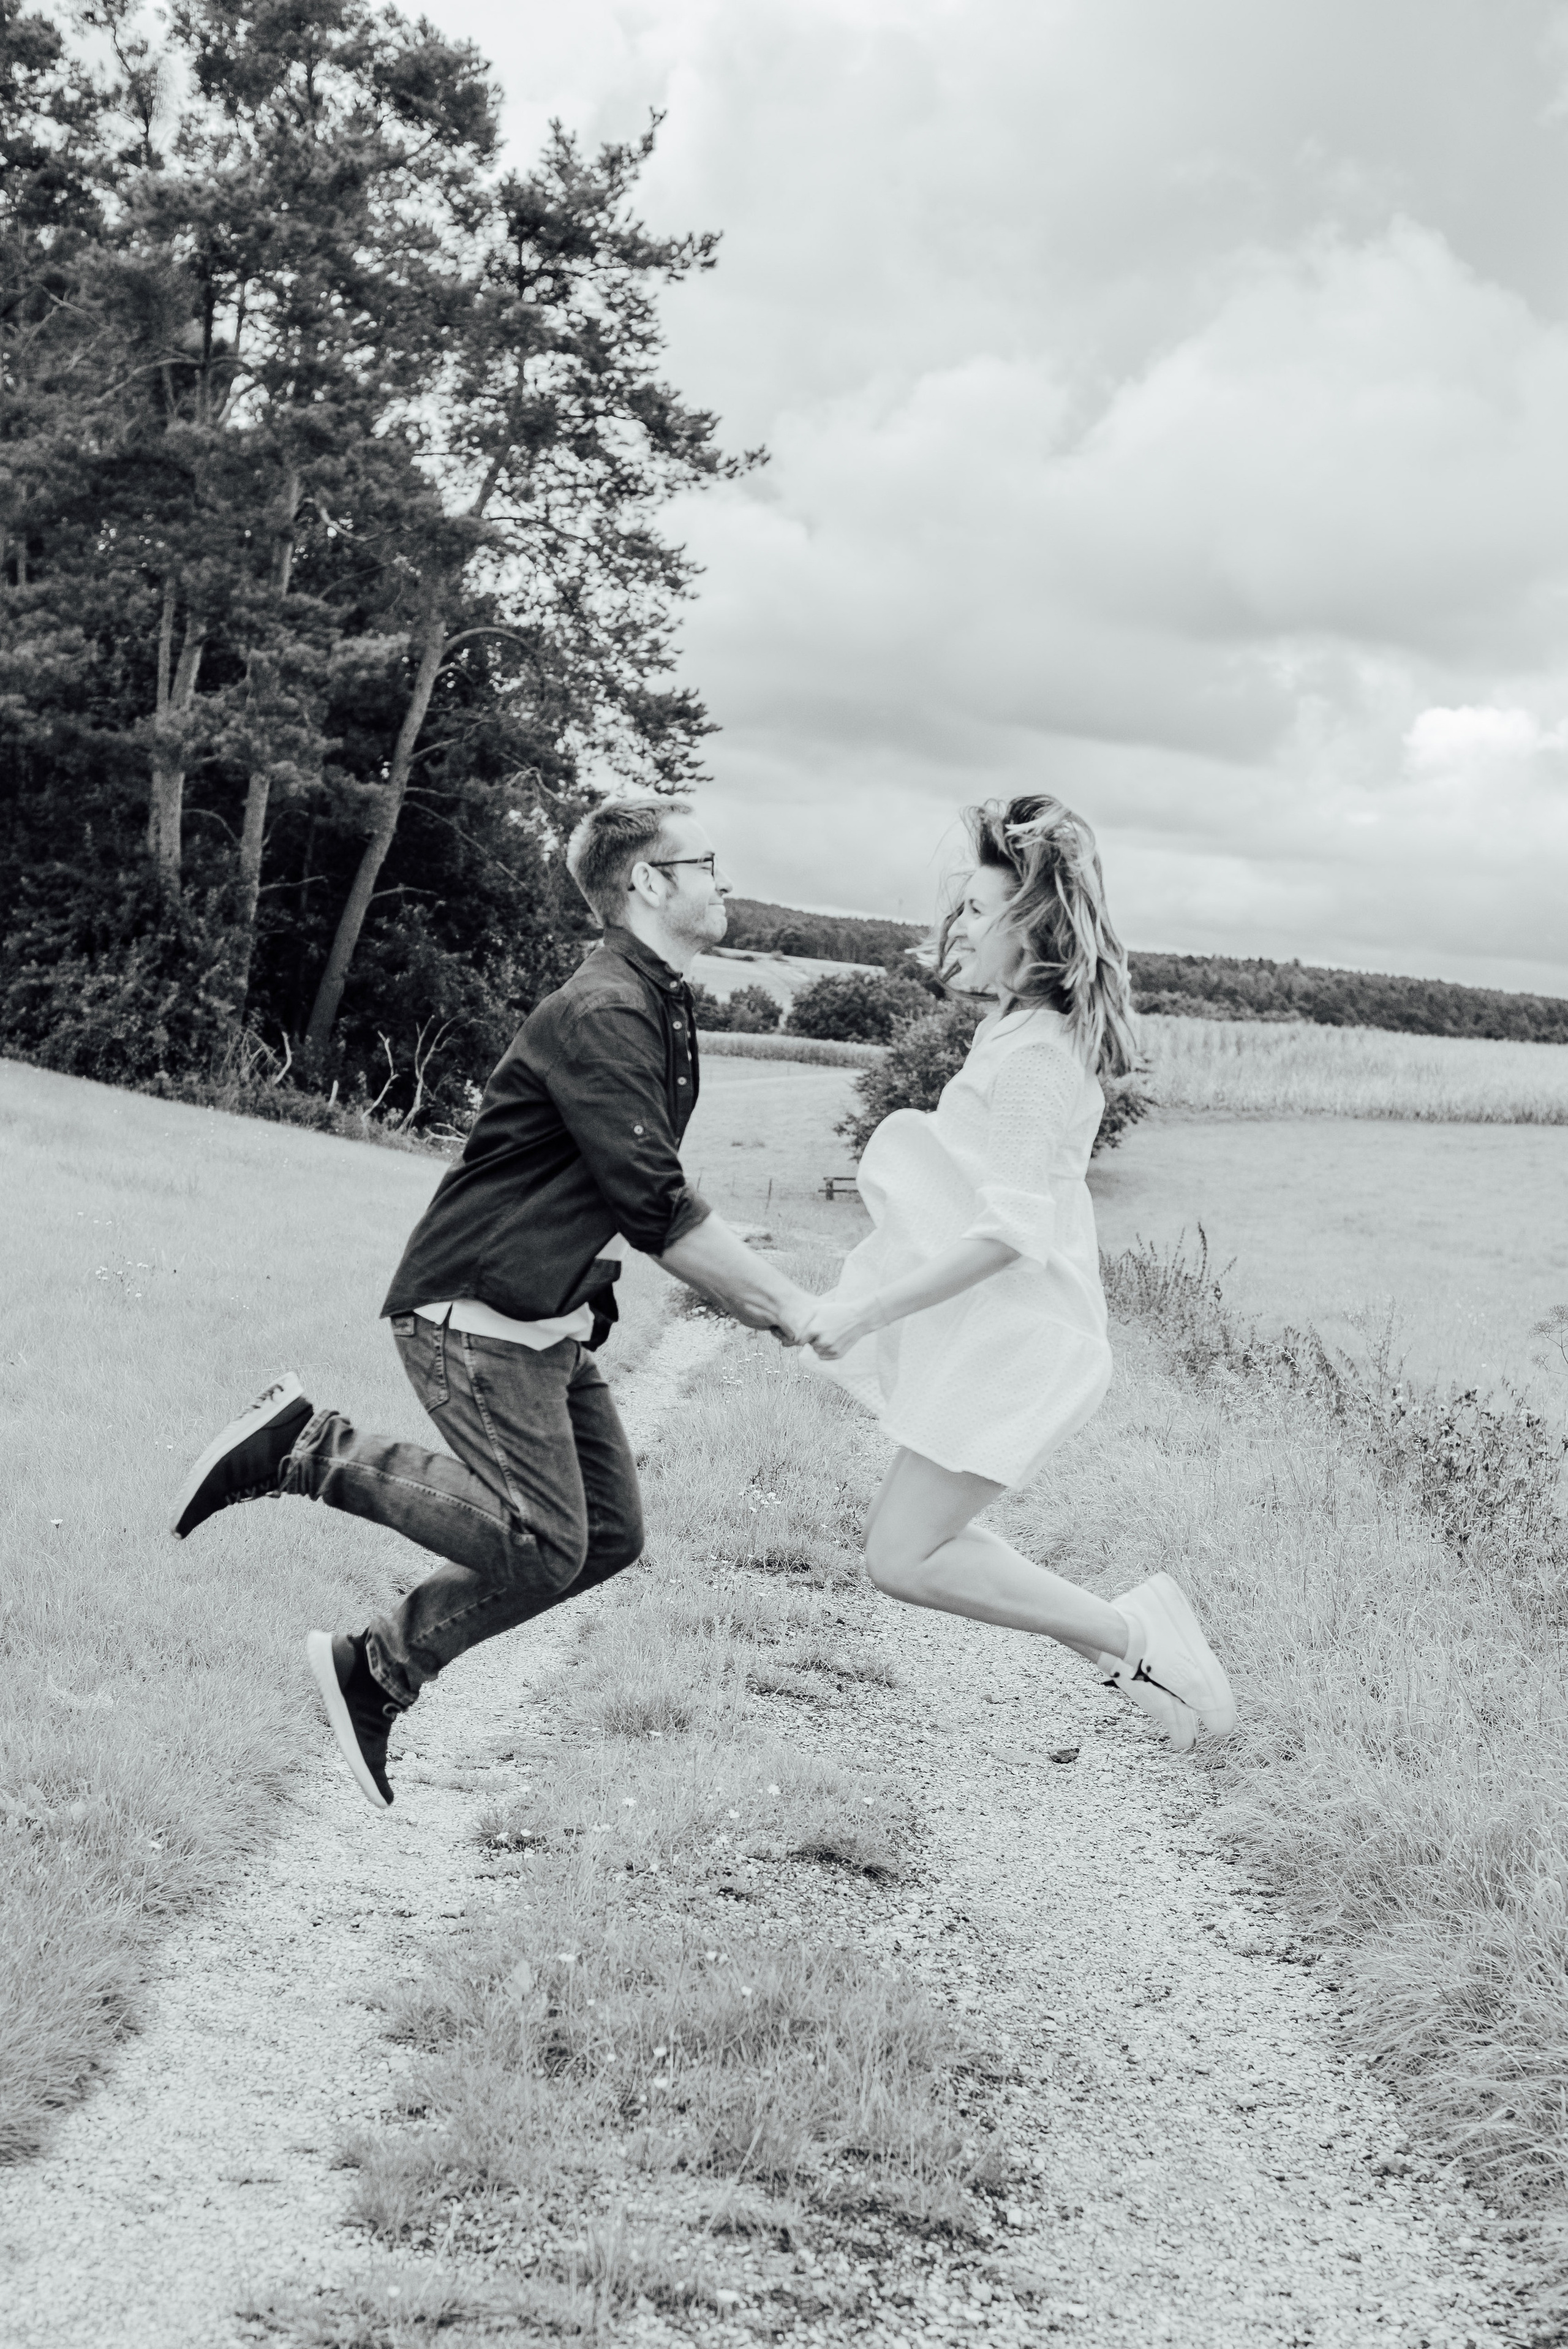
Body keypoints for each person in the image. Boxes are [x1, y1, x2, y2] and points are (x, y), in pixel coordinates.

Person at [170, 798, 812, 1809]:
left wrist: (764, 1300)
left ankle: (372, 1669)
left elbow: (631, 1191)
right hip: (472, 1312)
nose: (721, 879)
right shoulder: (605, 1011)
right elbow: (655, 1202)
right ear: (647, 882)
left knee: (603, 1536)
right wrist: (784, 1302)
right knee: (546, 1538)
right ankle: (308, 1449)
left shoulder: (654, 1002)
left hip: (541, 1318)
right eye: (706, 863)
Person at [799, 793, 1235, 1749]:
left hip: (1022, 1334)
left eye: (975, 912)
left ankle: (1133, 1639)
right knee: (912, 1546)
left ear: (1032, 937)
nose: (952, 926)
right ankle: (1136, 1640)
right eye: (956, 909)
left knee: (902, 1555)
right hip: (998, 1325)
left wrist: (869, 1309)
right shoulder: (1008, 1032)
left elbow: (1008, 1232)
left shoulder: (1039, 1054)